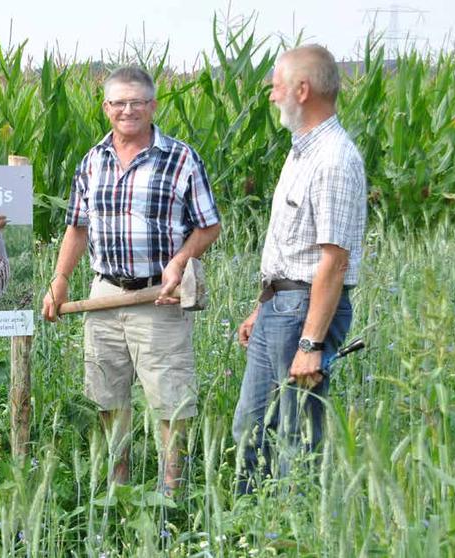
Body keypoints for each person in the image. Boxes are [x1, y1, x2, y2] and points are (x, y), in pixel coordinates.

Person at [42, 67, 221, 491]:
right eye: (118, 102)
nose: (128, 110)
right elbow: (77, 227)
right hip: (103, 294)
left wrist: (180, 261)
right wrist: (60, 278)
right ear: (106, 108)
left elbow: (209, 225)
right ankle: (118, 483)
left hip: (158, 298)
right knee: (106, 395)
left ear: (153, 106)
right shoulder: (92, 161)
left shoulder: (180, 158)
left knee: (169, 400)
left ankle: (171, 491)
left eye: (137, 102)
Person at [231, 45, 367, 494]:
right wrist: (261, 308)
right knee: (250, 431)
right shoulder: (301, 152)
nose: (271, 95)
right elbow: (292, 247)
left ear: (302, 90)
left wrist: (310, 343)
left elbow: (334, 261)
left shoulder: (334, 159)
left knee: (295, 438)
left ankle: (292, 532)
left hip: (304, 311)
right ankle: (249, 529)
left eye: (276, 85)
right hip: (280, 306)